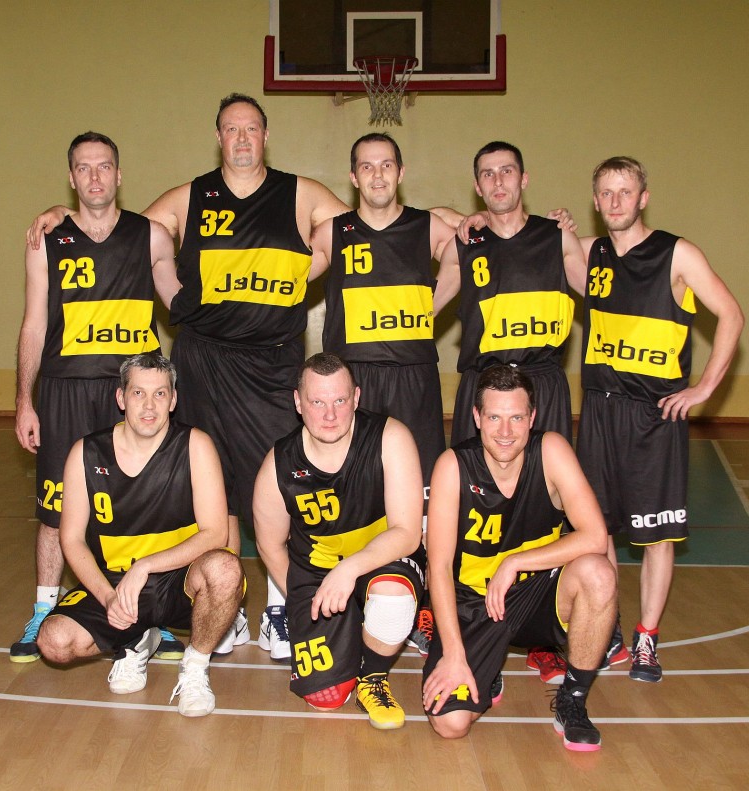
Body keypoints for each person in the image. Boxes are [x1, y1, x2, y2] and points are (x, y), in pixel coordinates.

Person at [28, 95, 350, 656]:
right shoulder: (190, 196)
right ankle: (226, 612)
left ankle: (281, 605)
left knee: (280, 483)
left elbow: (362, 227)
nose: (242, 138)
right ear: (218, 138)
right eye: (231, 129)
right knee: (213, 486)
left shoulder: (301, 194)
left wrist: (309, 270)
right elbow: (118, 228)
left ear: (266, 136)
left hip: (272, 362)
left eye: (251, 128)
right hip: (203, 359)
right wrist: (64, 212)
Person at [11, 132, 179, 663]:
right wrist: (24, 400)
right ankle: (44, 607)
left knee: (145, 503)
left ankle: (153, 612)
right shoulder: (47, 239)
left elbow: (183, 306)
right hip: (65, 389)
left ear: (119, 175)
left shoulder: (150, 236)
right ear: (71, 178)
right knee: (55, 508)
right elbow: (34, 324)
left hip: (133, 392)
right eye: (84, 168)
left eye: (104, 166)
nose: (95, 177)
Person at [576, 157, 744, 682]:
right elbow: (523, 240)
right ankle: (608, 627)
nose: (616, 202)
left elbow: (732, 315)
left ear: (643, 198)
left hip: (654, 414)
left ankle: (647, 637)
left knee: (657, 535)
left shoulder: (677, 254)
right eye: (606, 193)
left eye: (625, 191)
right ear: (595, 200)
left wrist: (705, 389)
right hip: (600, 409)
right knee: (596, 528)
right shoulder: (590, 252)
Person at [308, 132, 459, 660]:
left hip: (414, 378)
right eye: (367, 166)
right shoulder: (332, 232)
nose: (377, 175)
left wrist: (429, 308)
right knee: (358, 493)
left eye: (386, 165)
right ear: (353, 176)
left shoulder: (428, 226)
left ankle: (424, 604)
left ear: (401, 171)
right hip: (355, 383)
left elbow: (473, 250)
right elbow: (284, 278)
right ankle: (351, 593)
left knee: (423, 500)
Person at [448, 141, 589, 683]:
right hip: (483, 384)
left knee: (552, 502)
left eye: (507, 171)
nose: (499, 181)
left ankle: (548, 629)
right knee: (470, 500)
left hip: (542, 381)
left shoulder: (557, 237)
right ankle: (462, 614)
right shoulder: (466, 240)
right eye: (487, 174)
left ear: (524, 179)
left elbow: (605, 290)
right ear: (477, 186)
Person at [36, 353, 245, 718]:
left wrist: (145, 566)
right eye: (138, 393)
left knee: (225, 568)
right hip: (117, 582)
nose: (149, 406)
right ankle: (136, 640)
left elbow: (215, 533)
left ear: (173, 400)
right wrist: (107, 597)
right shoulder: (86, 453)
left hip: (180, 580)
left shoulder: (195, 445)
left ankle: (195, 668)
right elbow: (71, 540)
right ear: (121, 398)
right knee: (54, 642)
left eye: (160, 394)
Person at [422, 366, 617, 751]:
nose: (505, 431)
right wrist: (456, 656)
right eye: (494, 417)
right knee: (451, 724)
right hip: (474, 605)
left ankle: (573, 699)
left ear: (532, 418)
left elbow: (595, 535)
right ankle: (484, 665)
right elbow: (439, 568)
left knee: (598, 572)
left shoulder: (551, 451)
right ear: (477, 417)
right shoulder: (453, 467)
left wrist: (516, 562)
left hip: (537, 596)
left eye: (516, 417)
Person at [252, 353, 425, 730]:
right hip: (317, 574)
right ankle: (356, 631)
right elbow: (269, 546)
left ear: (356, 397)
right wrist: (303, 599)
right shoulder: (278, 464)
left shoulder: (389, 438)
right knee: (326, 697)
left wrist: (349, 571)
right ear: (298, 402)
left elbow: (408, 532)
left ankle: (373, 677)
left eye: (340, 400)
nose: (329, 414)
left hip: (382, 561)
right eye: (317, 402)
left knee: (392, 599)